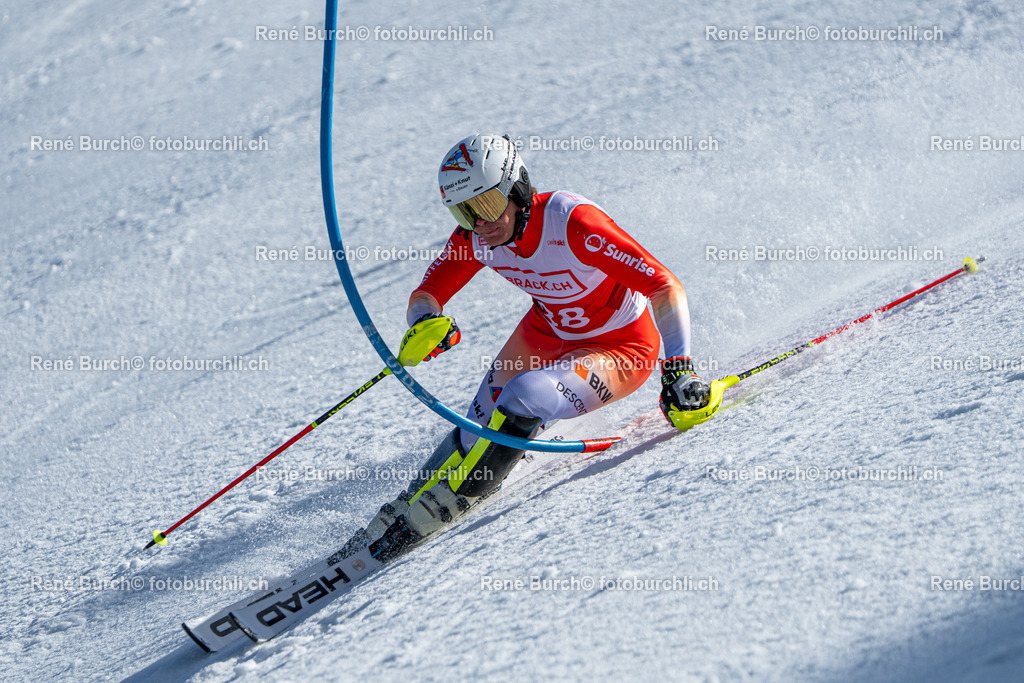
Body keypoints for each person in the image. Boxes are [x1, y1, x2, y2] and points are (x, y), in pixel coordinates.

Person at [342, 133, 711, 562]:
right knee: (472, 427)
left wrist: (680, 366)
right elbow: (426, 295)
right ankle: (404, 506)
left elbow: (664, 285)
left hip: (621, 345)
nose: (481, 224)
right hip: (546, 332)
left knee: (522, 396)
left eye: (488, 205)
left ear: (516, 187)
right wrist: (426, 323)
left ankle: (453, 501)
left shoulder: (574, 224)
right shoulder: (477, 238)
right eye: (466, 212)